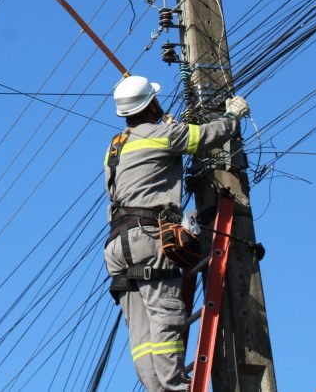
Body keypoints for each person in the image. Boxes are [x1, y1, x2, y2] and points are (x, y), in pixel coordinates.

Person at [103, 75, 250, 392]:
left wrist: (163, 126)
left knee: (142, 335)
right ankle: (176, 387)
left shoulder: (115, 148)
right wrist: (233, 116)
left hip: (117, 244)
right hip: (148, 236)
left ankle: (158, 388)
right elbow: (205, 136)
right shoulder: (163, 134)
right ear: (151, 103)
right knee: (165, 315)